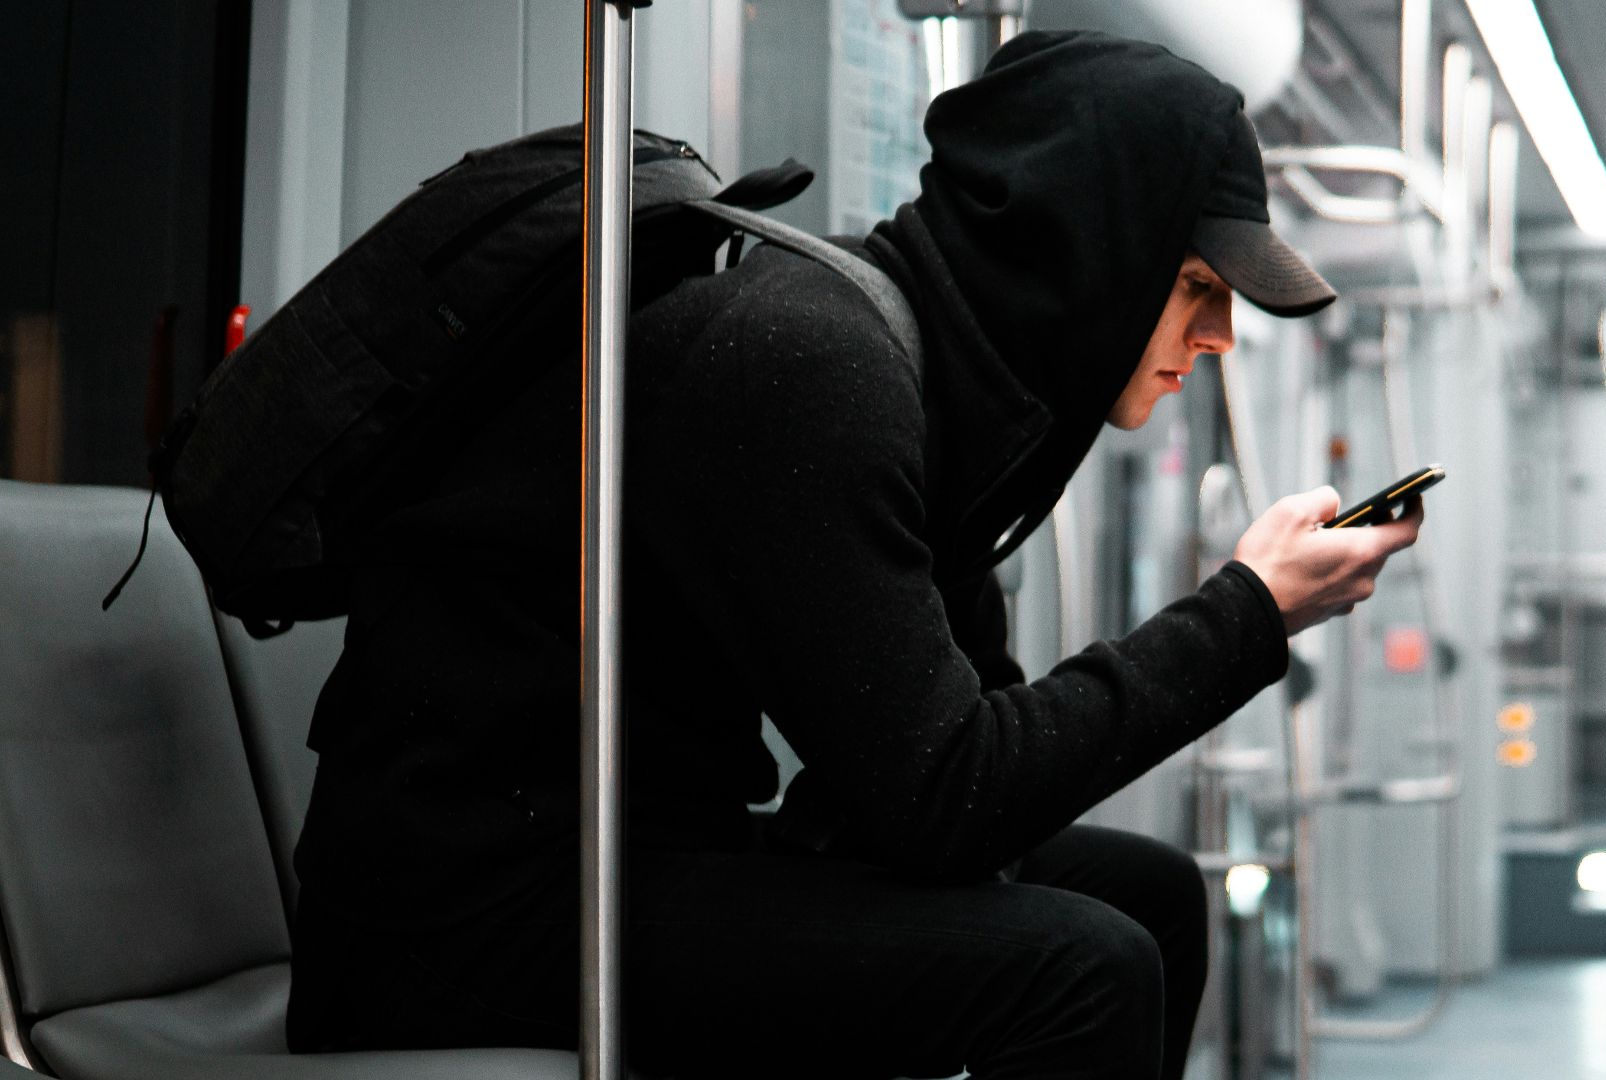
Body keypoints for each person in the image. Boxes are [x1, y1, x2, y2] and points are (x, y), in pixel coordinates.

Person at [286, 30, 1422, 1080]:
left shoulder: (930, 386)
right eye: (1195, 290)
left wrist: (1240, 617)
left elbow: (976, 771)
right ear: (1085, 257)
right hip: (470, 911)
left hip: (647, 856)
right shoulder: (808, 364)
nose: (1218, 339)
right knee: (1087, 969)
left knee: (1154, 899)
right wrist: (1248, 615)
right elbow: (950, 798)